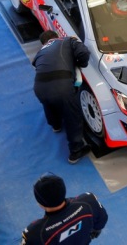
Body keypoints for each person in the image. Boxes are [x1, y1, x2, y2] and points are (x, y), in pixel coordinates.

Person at [33, 30, 91, 164]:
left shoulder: (40, 52)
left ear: (43, 43)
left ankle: (56, 125)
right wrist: (81, 64)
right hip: (61, 87)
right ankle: (75, 152)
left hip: (39, 88)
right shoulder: (67, 40)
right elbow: (83, 53)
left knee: (49, 104)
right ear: (56, 37)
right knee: (72, 117)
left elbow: (37, 65)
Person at [22, 173, 108, 244]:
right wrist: (96, 230)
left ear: (40, 203)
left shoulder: (34, 233)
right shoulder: (88, 201)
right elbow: (102, 219)